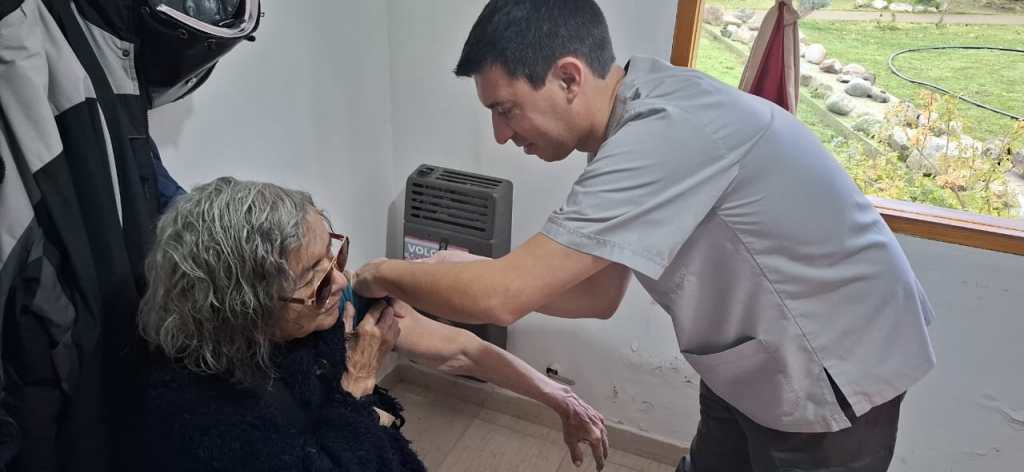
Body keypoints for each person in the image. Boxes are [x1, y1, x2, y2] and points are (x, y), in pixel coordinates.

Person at [353, 1, 936, 471]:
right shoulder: (628, 121)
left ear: (568, 77)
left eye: (506, 110)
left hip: (831, 358)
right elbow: (598, 296)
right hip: (748, 359)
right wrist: (472, 278)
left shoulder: (659, 136)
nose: (500, 135)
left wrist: (381, 274)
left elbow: (501, 298)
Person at [138, 177, 609, 471]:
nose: (341, 280)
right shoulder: (197, 414)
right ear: (245, 306)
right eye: (318, 279)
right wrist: (358, 386)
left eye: (335, 254)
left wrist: (558, 397)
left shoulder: (323, 309)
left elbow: (460, 348)